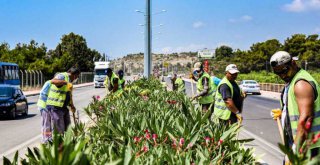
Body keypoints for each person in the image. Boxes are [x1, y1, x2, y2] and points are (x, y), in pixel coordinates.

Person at [270, 51, 320, 159]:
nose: (282, 75)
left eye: (284, 71)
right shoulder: (291, 81)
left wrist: (295, 149)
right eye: (278, 73)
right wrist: (283, 113)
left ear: (293, 63)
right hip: (299, 142)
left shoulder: (301, 84)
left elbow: (306, 119)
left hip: (308, 147)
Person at [46, 67, 80, 134]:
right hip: (55, 107)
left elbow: (69, 95)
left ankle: (67, 143)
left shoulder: (69, 82)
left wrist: (72, 105)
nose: (76, 79)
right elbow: (53, 81)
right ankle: (59, 143)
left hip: (64, 107)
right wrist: (65, 82)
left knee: (68, 129)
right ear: (75, 75)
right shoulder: (62, 76)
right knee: (59, 130)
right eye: (77, 76)